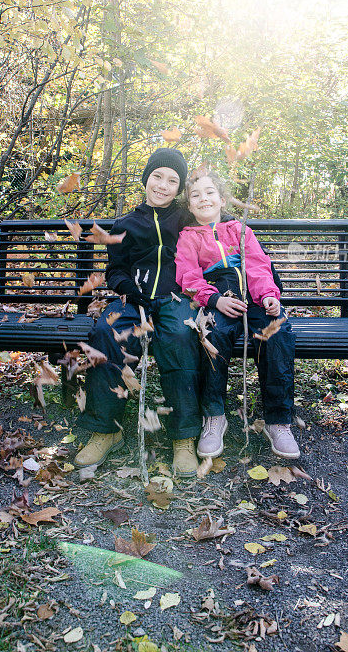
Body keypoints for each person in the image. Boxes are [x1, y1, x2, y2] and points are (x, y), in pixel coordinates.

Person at [75, 148, 202, 476]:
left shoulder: (186, 218)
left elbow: (214, 244)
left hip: (176, 300)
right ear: (146, 179)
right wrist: (131, 292)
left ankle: (183, 437)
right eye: (157, 176)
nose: (163, 185)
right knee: (106, 332)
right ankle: (105, 430)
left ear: (180, 188)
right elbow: (115, 270)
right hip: (134, 300)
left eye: (173, 180)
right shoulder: (126, 223)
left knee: (181, 335)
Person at [175, 168, 300, 460]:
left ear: (221, 199)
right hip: (217, 297)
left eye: (209, 192)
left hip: (253, 296)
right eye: (195, 195)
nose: (203, 199)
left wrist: (268, 295)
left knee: (277, 333)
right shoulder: (188, 237)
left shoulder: (240, 230)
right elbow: (188, 277)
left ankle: (278, 420)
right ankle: (214, 416)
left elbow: (257, 265)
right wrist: (214, 299)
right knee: (212, 336)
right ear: (190, 205)